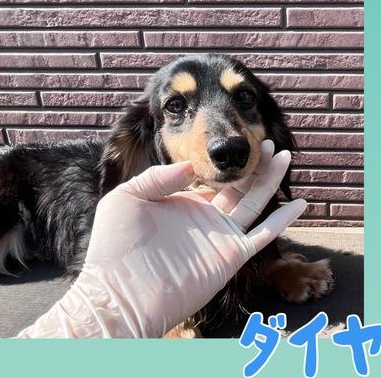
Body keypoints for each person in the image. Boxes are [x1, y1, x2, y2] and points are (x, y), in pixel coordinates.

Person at [16, 140, 306, 339]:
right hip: (17, 189)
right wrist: (110, 305)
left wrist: (95, 328)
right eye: (176, 107)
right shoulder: (120, 199)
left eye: (244, 99)